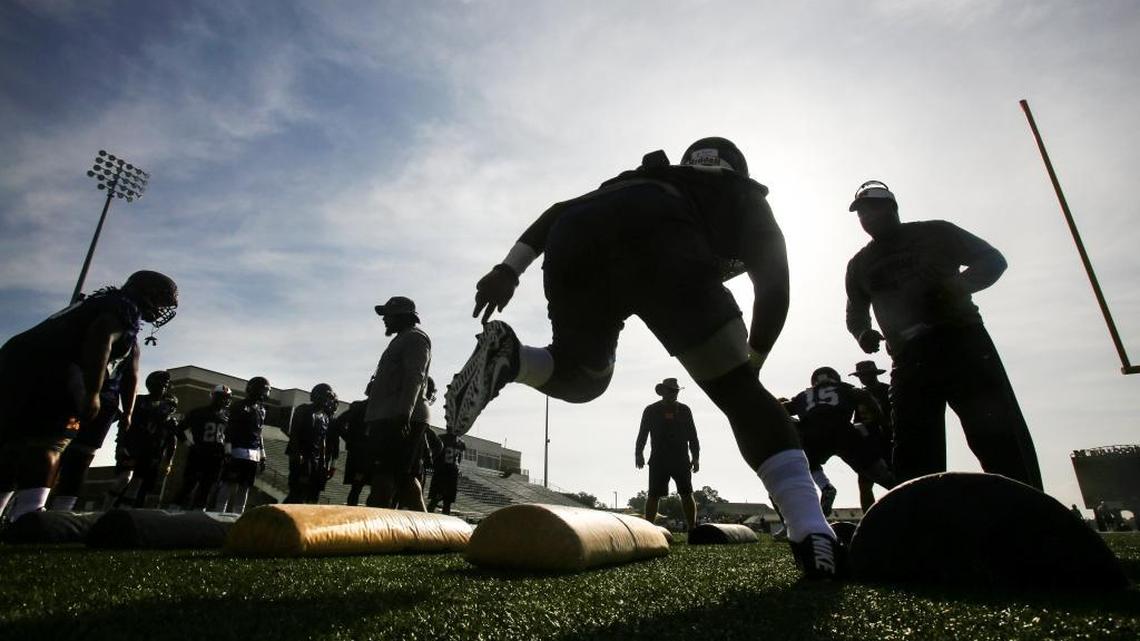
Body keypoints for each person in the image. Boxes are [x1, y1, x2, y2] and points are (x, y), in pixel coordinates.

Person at [445, 138, 842, 578]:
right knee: (739, 393)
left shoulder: (639, 179)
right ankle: (811, 530)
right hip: (664, 236)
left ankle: (513, 359)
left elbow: (559, 210)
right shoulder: (740, 194)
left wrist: (508, 270)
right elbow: (775, 286)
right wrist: (754, 362)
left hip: (578, 232)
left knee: (583, 376)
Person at [844, 180, 1042, 489]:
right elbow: (855, 311)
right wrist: (863, 333)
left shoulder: (936, 232)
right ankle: (921, 522)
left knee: (996, 432)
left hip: (962, 342)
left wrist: (958, 286)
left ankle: (1029, 511)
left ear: (892, 208)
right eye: (861, 213)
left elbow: (992, 259)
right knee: (913, 448)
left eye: (872, 209)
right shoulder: (859, 264)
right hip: (908, 358)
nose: (866, 218)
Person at [0, 270, 177, 521]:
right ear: (146, 293)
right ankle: (30, 514)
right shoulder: (122, 310)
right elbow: (102, 335)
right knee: (50, 442)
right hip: (51, 369)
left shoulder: (96, 304)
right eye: (161, 300)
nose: (161, 309)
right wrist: (93, 392)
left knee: (14, 444)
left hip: (13, 364)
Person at [784, 367, 896, 516]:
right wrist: (884, 424)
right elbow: (864, 395)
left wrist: (795, 428)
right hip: (844, 432)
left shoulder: (803, 396)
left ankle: (825, 487)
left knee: (807, 460)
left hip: (813, 436)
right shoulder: (845, 389)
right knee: (880, 476)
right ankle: (905, 493)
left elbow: (779, 410)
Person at [364, 296, 432, 511]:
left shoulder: (414, 338)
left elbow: (415, 376)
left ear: (402, 316)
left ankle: (376, 534)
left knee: (385, 477)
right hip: (391, 415)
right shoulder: (402, 338)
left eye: (388, 315)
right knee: (404, 479)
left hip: (398, 417)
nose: (385, 319)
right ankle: (426, 538)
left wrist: (404, 412)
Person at [635, 377, 700, 530]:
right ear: (662, 391)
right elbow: (643, 433)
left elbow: (693, 436)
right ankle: (648, 530)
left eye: (676, 391)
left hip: (681, 459)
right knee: (653, 495)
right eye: (671, 391)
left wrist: (696, 457)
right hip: (658, 459)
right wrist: (638, 453)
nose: (674, 393)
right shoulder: (651, 410)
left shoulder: (685, 410)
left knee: (686, 493)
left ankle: (692, 528)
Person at [110, 370, 182, 508]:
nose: (163, 386)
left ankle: (124, 512)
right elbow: (124, 424)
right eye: (161, 383)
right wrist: (120, 444)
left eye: (165, 384)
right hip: (132, 447)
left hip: (151, 453)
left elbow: (171, 440)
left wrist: (168, 461)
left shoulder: (168, 414)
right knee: (124, 479)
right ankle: (105, 509)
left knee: (137, 484)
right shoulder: (139, 401)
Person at [214, 376, 270, 514]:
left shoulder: (262, 410)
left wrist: (263, 455)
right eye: (264, 390)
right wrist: (227, 451)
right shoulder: (238, 406)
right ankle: (218, 513)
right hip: (237, 450)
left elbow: (259, 433)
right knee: (228, 483)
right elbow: (230, 430)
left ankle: (238, 516)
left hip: (253, 454)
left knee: (245, 486)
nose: (266, 393)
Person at [171, 384, 231, 510]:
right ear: (213, 396)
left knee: (206, 488)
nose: (223, 400)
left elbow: (228, 438)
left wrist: (227, 453)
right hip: (198, 454)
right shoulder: (198, 413)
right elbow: (179, 429)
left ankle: (197, 515)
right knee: (189, 485)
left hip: (216, 457)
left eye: (226, 397)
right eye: (220, 397)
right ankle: (172, 511)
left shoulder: (227, 418)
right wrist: (190, 445)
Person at [849, 360, 893, 511]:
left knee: (895, 479)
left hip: (888, 440)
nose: (863, 378)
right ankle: (869, 518)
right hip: (868, 442)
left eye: (866, 375)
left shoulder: (888, 390)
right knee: (865, 483)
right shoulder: (856, 395)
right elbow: (857, 420)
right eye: (861, 375)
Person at [284, 383, 338, 504]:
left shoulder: (325, 417)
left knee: (312, 492)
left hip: (316, 460)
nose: (327, 401)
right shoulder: (303, 409)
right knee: (297, 492)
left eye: (329, 398)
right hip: (302, 456)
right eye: (326, 397)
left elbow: (323, 440)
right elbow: (294, 433)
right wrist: (298, 454)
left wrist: (323, 462)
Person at [331, 399, 369, 506]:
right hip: (361, 453)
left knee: (359, 486)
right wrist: (351, 440)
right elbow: (339, 423)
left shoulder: (381, 407)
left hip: (368, 451)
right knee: (357, 486)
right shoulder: (360, 407)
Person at [427, 430, 465, 515]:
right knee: (437, 498)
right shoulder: (441, 438)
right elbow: (435, 452)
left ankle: (440, 521)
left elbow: (459, 457)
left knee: (447, 502)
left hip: (451, 473)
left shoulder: (460, 442)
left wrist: (457, 467)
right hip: (442, 472)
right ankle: (426, 518)